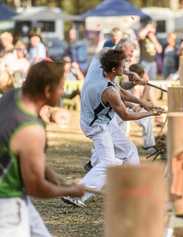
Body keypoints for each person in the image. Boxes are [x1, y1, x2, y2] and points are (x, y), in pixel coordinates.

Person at [62, 49, 161, 207]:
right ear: (114, 69)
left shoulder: (98, 68)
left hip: (104, 121)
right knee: (109, 162)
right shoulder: (108, 91)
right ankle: (76, 193)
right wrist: (149, 113)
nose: (125, 67)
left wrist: (142, 101)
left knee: (129, 151)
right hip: (96, 126)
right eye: (123, 66)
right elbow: (125, 115)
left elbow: (122, 92)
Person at [0, 60, 85, 236]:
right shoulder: (31, 130)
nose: (63, 92)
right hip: (7, 203)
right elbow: (36, 187)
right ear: (47, 90)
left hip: (16, 196)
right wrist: (70, 190)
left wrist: (57, 179)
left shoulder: (12, 96)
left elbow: (27, 156)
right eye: (61, 87)